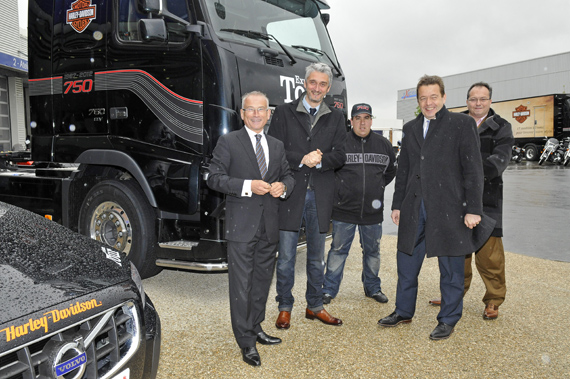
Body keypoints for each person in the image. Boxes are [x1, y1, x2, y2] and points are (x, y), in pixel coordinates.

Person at [378, 75, 490, 340]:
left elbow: (473, 170)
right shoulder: (410, 128)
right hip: (414, 207)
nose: (428, 103)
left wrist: (473, 209)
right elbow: (404, 168)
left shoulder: (462, 124)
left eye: (433, 97)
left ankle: (448, 319)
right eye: (423, 98)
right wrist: (397, 204)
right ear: (418, 101)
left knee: (451, 269)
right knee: (406, 263)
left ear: (444, 97)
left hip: (450, 209)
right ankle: (403, 311)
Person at [207, 91, 295, 366]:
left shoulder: (277, 145)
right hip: (242, 227)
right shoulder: (228, 141)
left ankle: (256, 327)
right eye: (251, 110)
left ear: (269, 114)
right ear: (242, 114)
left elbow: (288, 176)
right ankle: (245, 341)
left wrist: (283, 188)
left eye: (262, 109)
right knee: (241, 287)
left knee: (260, 284)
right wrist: (247, 186)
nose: (256, 114)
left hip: (270, 226)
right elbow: (214, 178)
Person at [268, 62, 346, 329]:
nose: (317, 88)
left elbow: (341, 155)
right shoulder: (283, 112)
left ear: (328, 87)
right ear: (305, 83)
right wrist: (302, 158)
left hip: (321, 196)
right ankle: (284, 307)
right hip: (291, 193)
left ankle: (314, 306)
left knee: (316, 257)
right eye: (313, 82)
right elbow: (274, 151)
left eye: (322, 84)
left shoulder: (337, 117)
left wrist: (320, 160)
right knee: (287, 256)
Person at [428, 82, 514, 320]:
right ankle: (452, 295)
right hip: (455, 200)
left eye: (483, 99)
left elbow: (499, 162)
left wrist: (468, 173)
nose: (478, 103)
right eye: (473, 99)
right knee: (457, 253)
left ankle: (494, 300)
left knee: (490, 257)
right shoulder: (453, 123)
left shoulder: (502, 127)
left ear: (490, 101)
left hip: (488, 200)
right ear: (466, 101)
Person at [322, 103, 396, 305]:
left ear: (372, 120)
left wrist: (377, 187)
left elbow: (390, 172)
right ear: (351, 121)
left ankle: (372, 288)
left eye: (366, 117)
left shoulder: (383, 144)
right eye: (358, 118)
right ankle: (328, 290)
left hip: (372, 212)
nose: (362, 122)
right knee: (338, 251)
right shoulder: (340, 143)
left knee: (372, 252)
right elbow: (329, 172)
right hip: (344, 210)